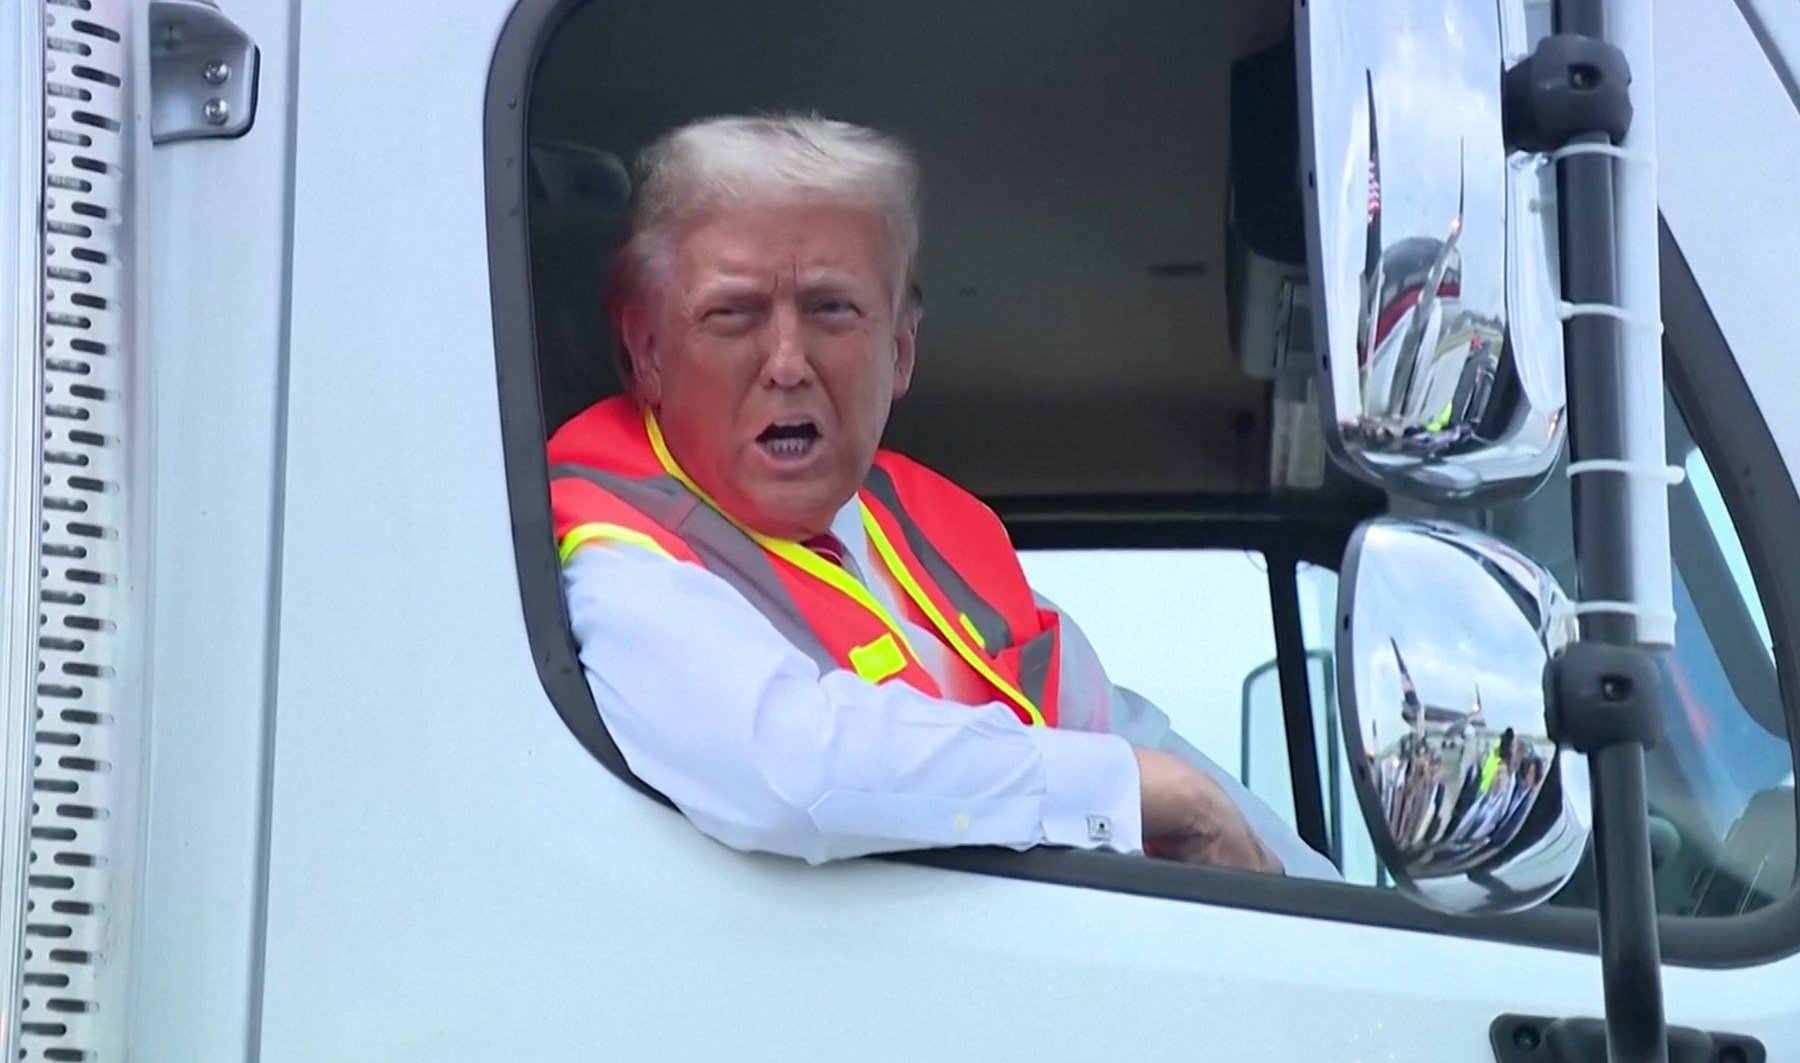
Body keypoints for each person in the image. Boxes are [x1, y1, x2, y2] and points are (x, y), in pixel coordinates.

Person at [548, 113, 1337, 880]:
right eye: (733, 313)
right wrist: (1129, 792)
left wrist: (1336, 922)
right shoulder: (613, 545)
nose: (786, 360)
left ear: (900, 351)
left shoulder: (935, 535)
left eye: (831, 309)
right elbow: (789, 767)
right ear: (647, 353)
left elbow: (1136, 739)